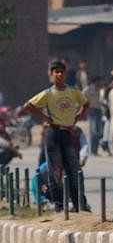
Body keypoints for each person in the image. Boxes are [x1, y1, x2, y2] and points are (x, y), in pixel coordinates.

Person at [20, 59, 89, 213]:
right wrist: (45, 118)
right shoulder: (48, 93)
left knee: (73, 168)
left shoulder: (73, 92)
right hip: (54, 132)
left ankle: (79, 204)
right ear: (51, 74)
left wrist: (76, 117)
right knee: (54, 170)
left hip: (68, 133)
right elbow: (28, 106)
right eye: (56, 72)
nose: (59, 74)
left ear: (65, 74)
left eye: (61, 72)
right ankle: (59, 205)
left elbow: (86, 103)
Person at [82, 75, 104, 156]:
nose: (101, 82)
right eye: (99, 81)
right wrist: (86, 109)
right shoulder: (87, 89)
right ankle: (92, 150)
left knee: (99, 131)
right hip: (92, 110)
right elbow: (82, 99)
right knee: (93, 131)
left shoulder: (100, 90)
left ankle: (95, 150)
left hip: (98, 110)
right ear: (96, 81)